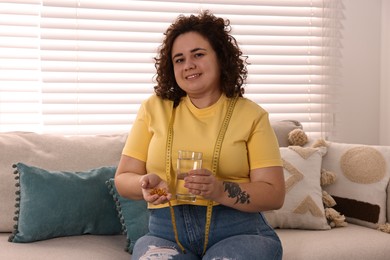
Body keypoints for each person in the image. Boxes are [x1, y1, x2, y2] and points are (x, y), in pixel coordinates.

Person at [115, 10, 285, 260]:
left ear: (221, 58)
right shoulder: (154, 109)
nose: (189, 65)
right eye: (179, 59)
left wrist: (219, 189)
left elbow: (274, 193)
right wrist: (143, 185)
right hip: (165, 233)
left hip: (239, 232)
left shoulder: (252, 115)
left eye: (198, 54)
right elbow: (123, 178)